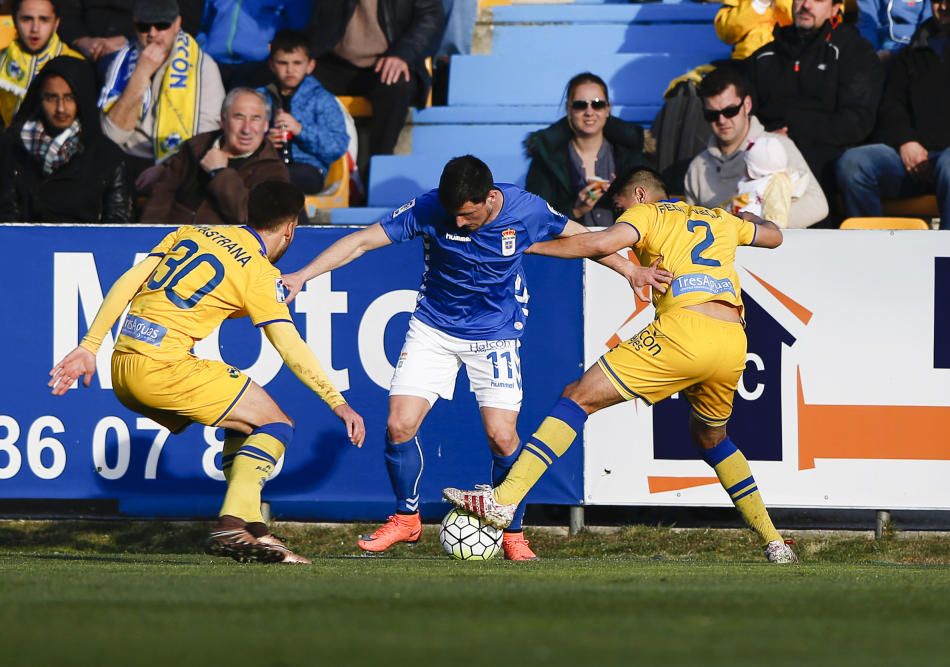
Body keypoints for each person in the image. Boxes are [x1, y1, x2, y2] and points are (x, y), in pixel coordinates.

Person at [280, 155, 670, 560]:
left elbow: (587, 240)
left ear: (490, 198)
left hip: (495, 334)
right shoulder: (430, 207)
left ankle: (513, 534)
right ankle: (406, 519)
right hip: (434, 327)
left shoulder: (527, 209)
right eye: (454, 216)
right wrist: (301, 275)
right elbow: (360, 241)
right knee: (399, 425)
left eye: (467, 215)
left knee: (502, 437)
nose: (460, 223)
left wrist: (630, 271)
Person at [444, 167, 799, 565]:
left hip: (684, 332)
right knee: (710, 438)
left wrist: (529, 248)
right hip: (734, 339)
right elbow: (775, 236)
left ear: (641, 195)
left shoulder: (648, 214)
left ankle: (504, 501)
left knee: (577, 397)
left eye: (620, 207)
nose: (620, 216)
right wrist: (751, 219)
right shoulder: (718, 218)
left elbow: (599, 243)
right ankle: (774, 542)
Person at [48, 180, 366, 565]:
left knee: (244, 423)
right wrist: (337, 402)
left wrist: (90, 344)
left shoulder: (196, 232)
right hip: (164, 368)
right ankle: (233, 522)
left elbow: (129, 281)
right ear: (290, 228)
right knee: (276, 424)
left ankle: (253, 528)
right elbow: (290, 347)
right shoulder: (259, 272)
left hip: (122, 365)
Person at [836, 0, 950, 230]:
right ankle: (872, 250)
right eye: (937, 1)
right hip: (918, 158)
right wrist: (905, 141)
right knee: (854, 163)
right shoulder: (913, 49)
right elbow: (891, 104)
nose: (943, 7)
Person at [745, 0, 883, 215]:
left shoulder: (854, 52)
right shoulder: (765, 56)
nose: (806, 5)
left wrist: (792, 133)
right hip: (766, 153)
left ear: (836, 8)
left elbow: (856, 122)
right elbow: (744, 112)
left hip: (825, 156)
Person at [685, 65, 827, 228]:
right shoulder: (696, 168)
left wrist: (762, 227)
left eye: (730, 111)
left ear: (747, 104)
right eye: (712, 114)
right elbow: (691, 227)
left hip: (778, 249)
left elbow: (818, 205)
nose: (722, 120)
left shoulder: (777, 147)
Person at [98, 0, 225, 179]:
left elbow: (206, 137)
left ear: (177, 24)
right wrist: (140, 75)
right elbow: (112, 135)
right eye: (144, 26)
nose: (152, 33)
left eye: (162, 25)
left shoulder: (203, 67)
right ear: (134, 24)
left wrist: (166, 168)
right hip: (125, 163)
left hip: (180, 167)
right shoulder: (120, 64)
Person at [0, 55, 130, 222]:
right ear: (39, 99)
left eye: (69, 98)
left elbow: (117, 232)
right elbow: (6, 221)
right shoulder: (11, 150)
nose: (61, 108)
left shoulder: (109, 159)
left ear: (83, 99)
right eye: (52, 97)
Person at [307, 0, 444, 157]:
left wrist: (402, 54)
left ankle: (379, 161)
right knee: (287, 73)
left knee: (397, 85)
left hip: (387, 62)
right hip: (334, 62)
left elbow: (430, 16)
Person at [141, 87, 289, 225]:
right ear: (223, 121)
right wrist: (151, 236)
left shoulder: (273, 169)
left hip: (221, 248)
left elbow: (249, 217)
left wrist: (220, 173)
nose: (246, 129)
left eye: (255, 119)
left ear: (265, 125)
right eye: (239, 117)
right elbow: (162, 194)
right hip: (172, 239)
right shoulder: (197, 146)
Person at [525, 72, 652, 227]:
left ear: (608, 109)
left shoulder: (632, 155)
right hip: (569, 248)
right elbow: (534, 218)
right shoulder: (546, 160)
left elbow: (655, 210)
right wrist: (575, 210)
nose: (589, 112)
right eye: (580, 105)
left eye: (597, 104)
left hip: (625, 247)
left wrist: (622, 194)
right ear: (569, 109)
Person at [258, 30, 353, 195]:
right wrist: (264, 142)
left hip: (308, 169)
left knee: (280, 181)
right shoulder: (259, 97)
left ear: (310, 65)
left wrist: (300, 130)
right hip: (265, 166)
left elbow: (337, 147)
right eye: (282, 63)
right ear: (271, 65)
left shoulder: (322, 99)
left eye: (297, 63)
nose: (290, 70)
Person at [0, 0, 82, 127]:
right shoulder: (2, 60)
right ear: (14, 21)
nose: (35, 29)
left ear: (56, 23)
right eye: (27, 19)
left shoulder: (77, 64)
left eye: (44, 20)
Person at [197, 0, 311, 89]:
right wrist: (203, 46)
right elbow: (204, 21)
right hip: (214, 61)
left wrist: (273, 52)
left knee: (244, 114)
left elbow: (297, 31)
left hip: (257, 66)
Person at [53, 0, 134, 64]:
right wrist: (80, 40)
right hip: (83, 52)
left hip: (133, 51)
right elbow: (66, 12)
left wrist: (129, 40)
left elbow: (144, 17)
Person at [714, 0, 793, 60]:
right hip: (745, 62)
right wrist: (760, 3)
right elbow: (727, 32)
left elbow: (803, 25)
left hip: (788, 62)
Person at [857, 0, 933, 59]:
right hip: (885, 48)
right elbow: (867, 25)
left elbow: (929, 24)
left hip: (920, 48)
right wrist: (874, 55)